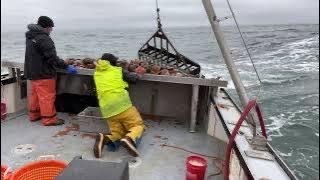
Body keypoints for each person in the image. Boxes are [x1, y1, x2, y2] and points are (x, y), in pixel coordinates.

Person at [24, 16, 77, 126]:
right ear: (46, 27)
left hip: (32, 73)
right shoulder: (44, 38)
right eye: (50, 27)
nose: (51, 30)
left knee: (35, 95)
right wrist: (66, 66)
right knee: (47, 97)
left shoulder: (30, 36)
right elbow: (52, 58)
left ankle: (34, 115)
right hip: (44, 74)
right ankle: (49, 119)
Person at [93, 53, 145, 158]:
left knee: (117, 133)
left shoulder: (96, 73)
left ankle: (105, 138)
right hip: (122, 106)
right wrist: (140, 74)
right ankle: (129, 138)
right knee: (138, 126)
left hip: (107, 110)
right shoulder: (118, 70)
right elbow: (134, 79)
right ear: (113, 63)